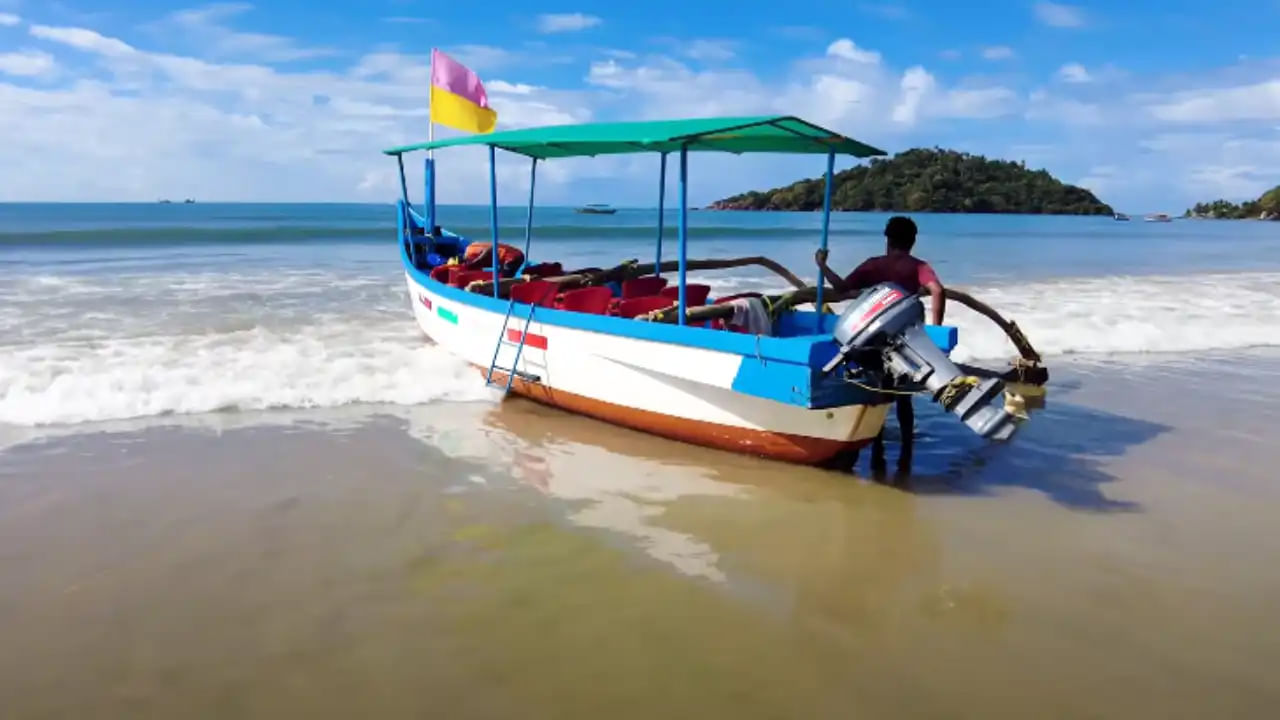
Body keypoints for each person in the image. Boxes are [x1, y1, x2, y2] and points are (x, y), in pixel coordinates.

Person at [814, 215, 945, 477]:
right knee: (904, 399)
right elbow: (938, 291)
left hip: (872, 344)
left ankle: (876, 450)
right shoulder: (917, 266)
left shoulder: (874, 265)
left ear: (887, 239)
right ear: (912, 241)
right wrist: (934, 332)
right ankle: (907, 449)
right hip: (905, 342)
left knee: (877, 394)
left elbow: (841, 289)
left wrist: (822, 265)